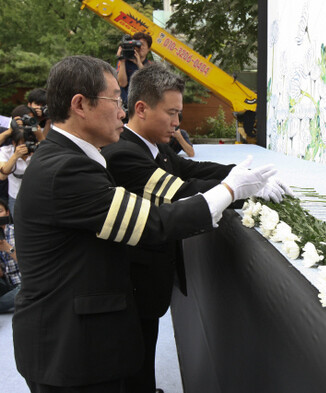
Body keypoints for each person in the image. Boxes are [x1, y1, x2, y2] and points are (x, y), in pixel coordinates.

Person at [13, 55, 275, 393]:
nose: (123, 112)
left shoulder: (72, 158)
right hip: (70, 352)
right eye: (115, 101)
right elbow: (151, 222)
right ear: (80, 105)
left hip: (81, 345)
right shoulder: (66, 169)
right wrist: (230, 189)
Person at [102, 62, 291, 393]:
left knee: (143, 347)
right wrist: (239, 190)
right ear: (142, 108)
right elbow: (180, 191)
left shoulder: (153, 145)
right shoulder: (123, 153)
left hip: (147, 279)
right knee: (132, 354)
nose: (177, 123)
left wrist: (241, 173)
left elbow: (190, 167)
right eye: (172, 113)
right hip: (131, 280)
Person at [0, 105, 39, 212]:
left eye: (30, 119)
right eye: (23, 118)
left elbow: (49, 149)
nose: (26, 122)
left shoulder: (36, 143)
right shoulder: (7, 148)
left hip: (36, 196)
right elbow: (3, 175)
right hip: (14, 195)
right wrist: (11, 129)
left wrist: (36, 128)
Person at [116, 32, 153, 106]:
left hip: (144, 104)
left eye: (143, 44)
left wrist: (139, 64)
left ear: (148, 49)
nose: (140, 47)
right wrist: (122, 61)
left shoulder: (150, 65)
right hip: (126, 104)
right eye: (138, 44)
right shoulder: (124, 62)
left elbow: (150, 84)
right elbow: (122, 84)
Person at [0, 198, 19, 313]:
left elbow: (30, 264)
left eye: (0, 211)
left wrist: (8, 249)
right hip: (7, 285)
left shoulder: (18, 232)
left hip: (23, 283)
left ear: (7, 213)